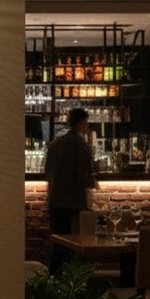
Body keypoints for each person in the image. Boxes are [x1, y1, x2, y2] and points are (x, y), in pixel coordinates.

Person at [44, 107, 97, 272]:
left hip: (56, 200)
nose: (87, 126)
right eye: (86, 123)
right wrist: (93, 184)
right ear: (81, 123)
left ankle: (54, 277)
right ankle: (73, 279)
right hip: (74, 202)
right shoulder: (82, 146)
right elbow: (84, 175)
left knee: (59, 242)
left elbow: (48, 172)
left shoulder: (55, 144)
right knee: (76, 244)